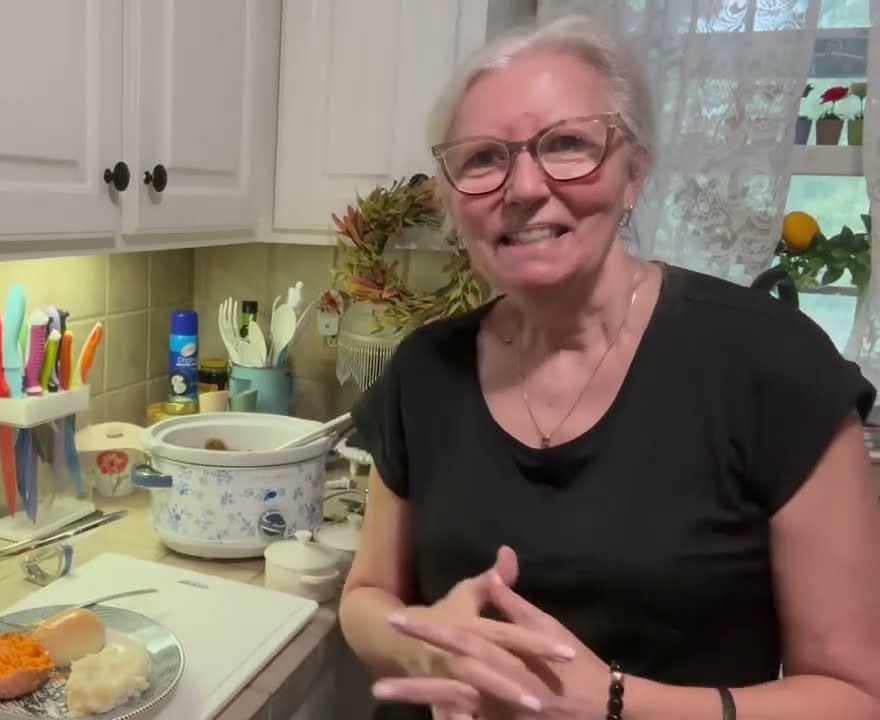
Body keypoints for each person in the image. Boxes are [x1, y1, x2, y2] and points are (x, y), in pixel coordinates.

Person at [340, 14, 880, 720]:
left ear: (636, 169)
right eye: (482, 159)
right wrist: (427, 646)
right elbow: (364, 597)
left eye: (567, 144)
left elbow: (854, 696)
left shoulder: (773, 367)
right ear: (452, 200)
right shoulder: (425, 370)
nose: (524, 187)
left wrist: (616, 705)